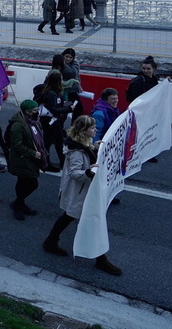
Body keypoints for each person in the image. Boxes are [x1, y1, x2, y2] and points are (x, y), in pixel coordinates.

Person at [42, 115, 123, 276]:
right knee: (92, 221)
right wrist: (88, 171)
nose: (95, 129)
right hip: (80, 193)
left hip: (83, 192)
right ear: (83, 131)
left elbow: (89, 154)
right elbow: (74, 173)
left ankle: (50, 241)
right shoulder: (77, 151)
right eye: (92, 128)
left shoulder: (83, 144)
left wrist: (95, 148)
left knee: (69, 217)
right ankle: (101, 260)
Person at [6, 100, 47, 221]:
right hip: (22, 158)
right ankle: (18, 204)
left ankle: (20, 203)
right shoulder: (18, 125)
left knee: (26, 182)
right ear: (27, 112)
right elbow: (17, 145)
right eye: (35, 111)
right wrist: (33, 153)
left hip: (31, 158)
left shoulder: (34, 122)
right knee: (29, 183)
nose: (37, 112)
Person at [36, 72, 76, 171]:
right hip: (49, 121)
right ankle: (46, 164)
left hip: (55, 121)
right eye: (61, 79)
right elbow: (53, 109)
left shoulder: (56, 92)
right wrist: (69, 109)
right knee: (47, 143)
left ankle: (62, 161)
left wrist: (66, 105)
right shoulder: (51, 93)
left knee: (59, 141)